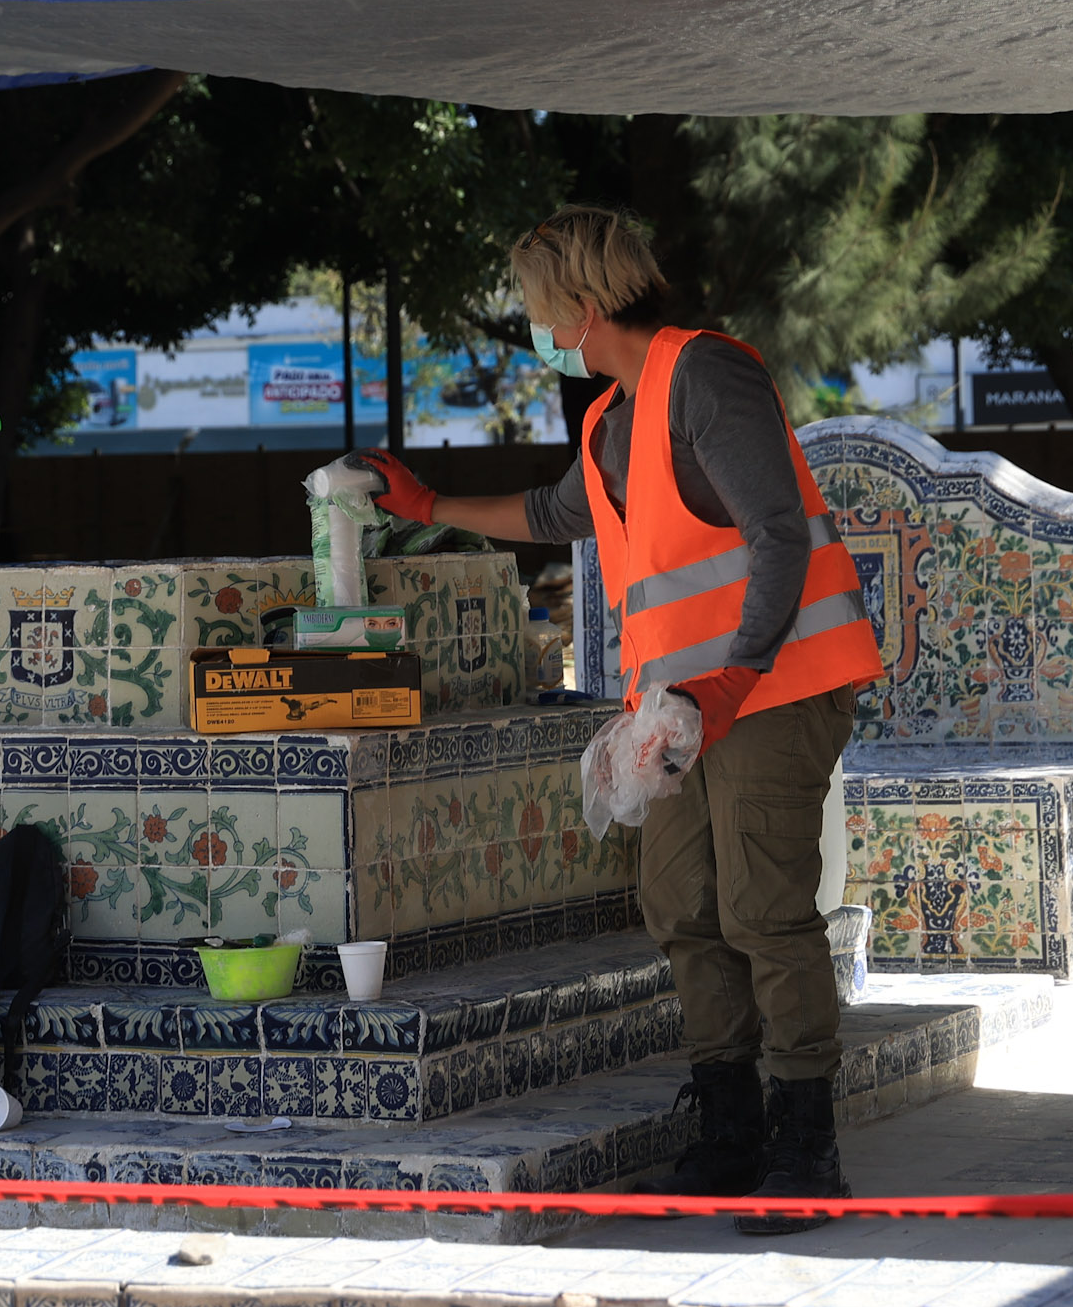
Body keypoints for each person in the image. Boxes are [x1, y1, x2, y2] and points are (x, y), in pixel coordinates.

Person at [356, 207, 885, 1232]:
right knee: (684, 904)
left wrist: (733, 676)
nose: (538, 325)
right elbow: (555, 517)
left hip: (771, 687)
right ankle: (729, 1132)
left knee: (763, 910)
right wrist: (427, 505)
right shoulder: (611, 418)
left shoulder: (707, 378)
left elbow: (778, 533)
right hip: (682, 710)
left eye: (542, 306)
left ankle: (806, 1149)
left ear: (583, 307)